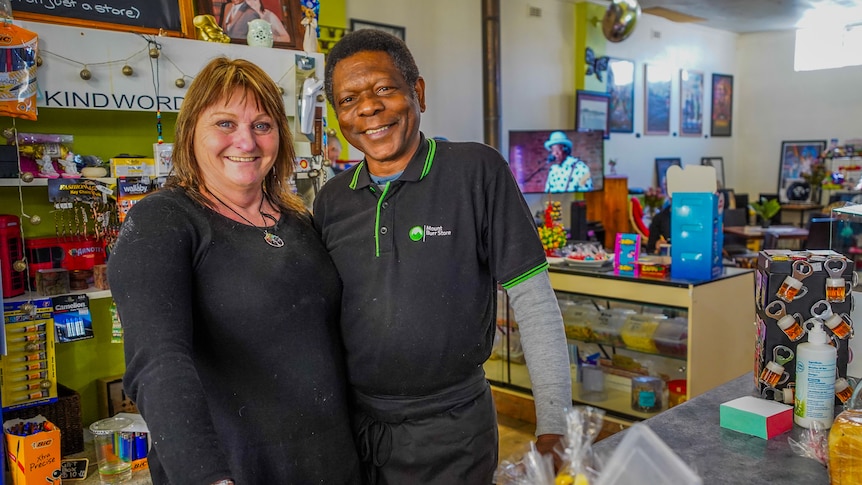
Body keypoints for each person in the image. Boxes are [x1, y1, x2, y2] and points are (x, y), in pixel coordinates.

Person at [315, 29, 571, 483]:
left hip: (453, 432)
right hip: (354, 431)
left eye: (384, 89)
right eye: (349, 99)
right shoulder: (332, 199)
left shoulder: (477, 170)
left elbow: (533, 302)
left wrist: (554, 425)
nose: (368, 109)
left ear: (419, 92)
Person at [107, 57, 360, 484]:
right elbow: (158, 363)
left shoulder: (299, 221)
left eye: (262, 125)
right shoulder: (162, 221)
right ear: (191, 133)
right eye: (225, 123)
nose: (246, 141)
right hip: (235, 470)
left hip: (331, 463)